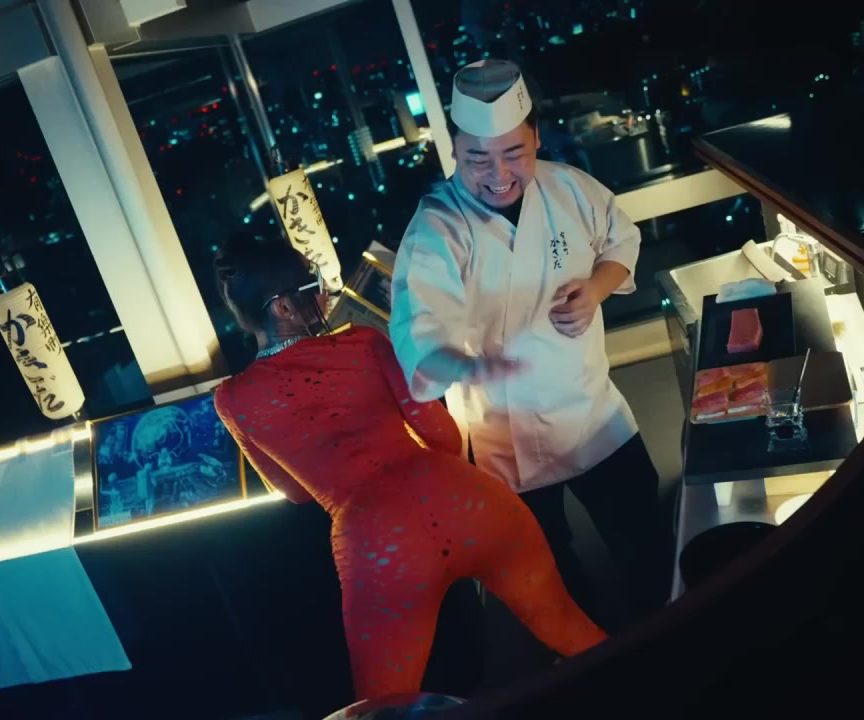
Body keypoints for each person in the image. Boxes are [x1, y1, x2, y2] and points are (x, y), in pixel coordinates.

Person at [209, 234, 606, 703]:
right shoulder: (364, 342)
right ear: (282, 307)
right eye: (312, 286)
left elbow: (294, 493)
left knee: (383, 702)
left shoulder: (233, 399)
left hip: (379, 543)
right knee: (570, 629)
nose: (324, 294)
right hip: (469, 502)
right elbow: (444, 437)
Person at [388, 59, 670, 630]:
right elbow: (421, 330)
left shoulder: (568, 187)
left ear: (537, 139)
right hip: (504, 439)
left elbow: (622, 240)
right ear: (455, 150)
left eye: (514, 153)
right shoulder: (438, 228)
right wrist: (468, 364)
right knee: (550, 579)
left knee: (650, 548)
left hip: (593, 412)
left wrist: (596, 288)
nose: (498, 174)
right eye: (477, 158)